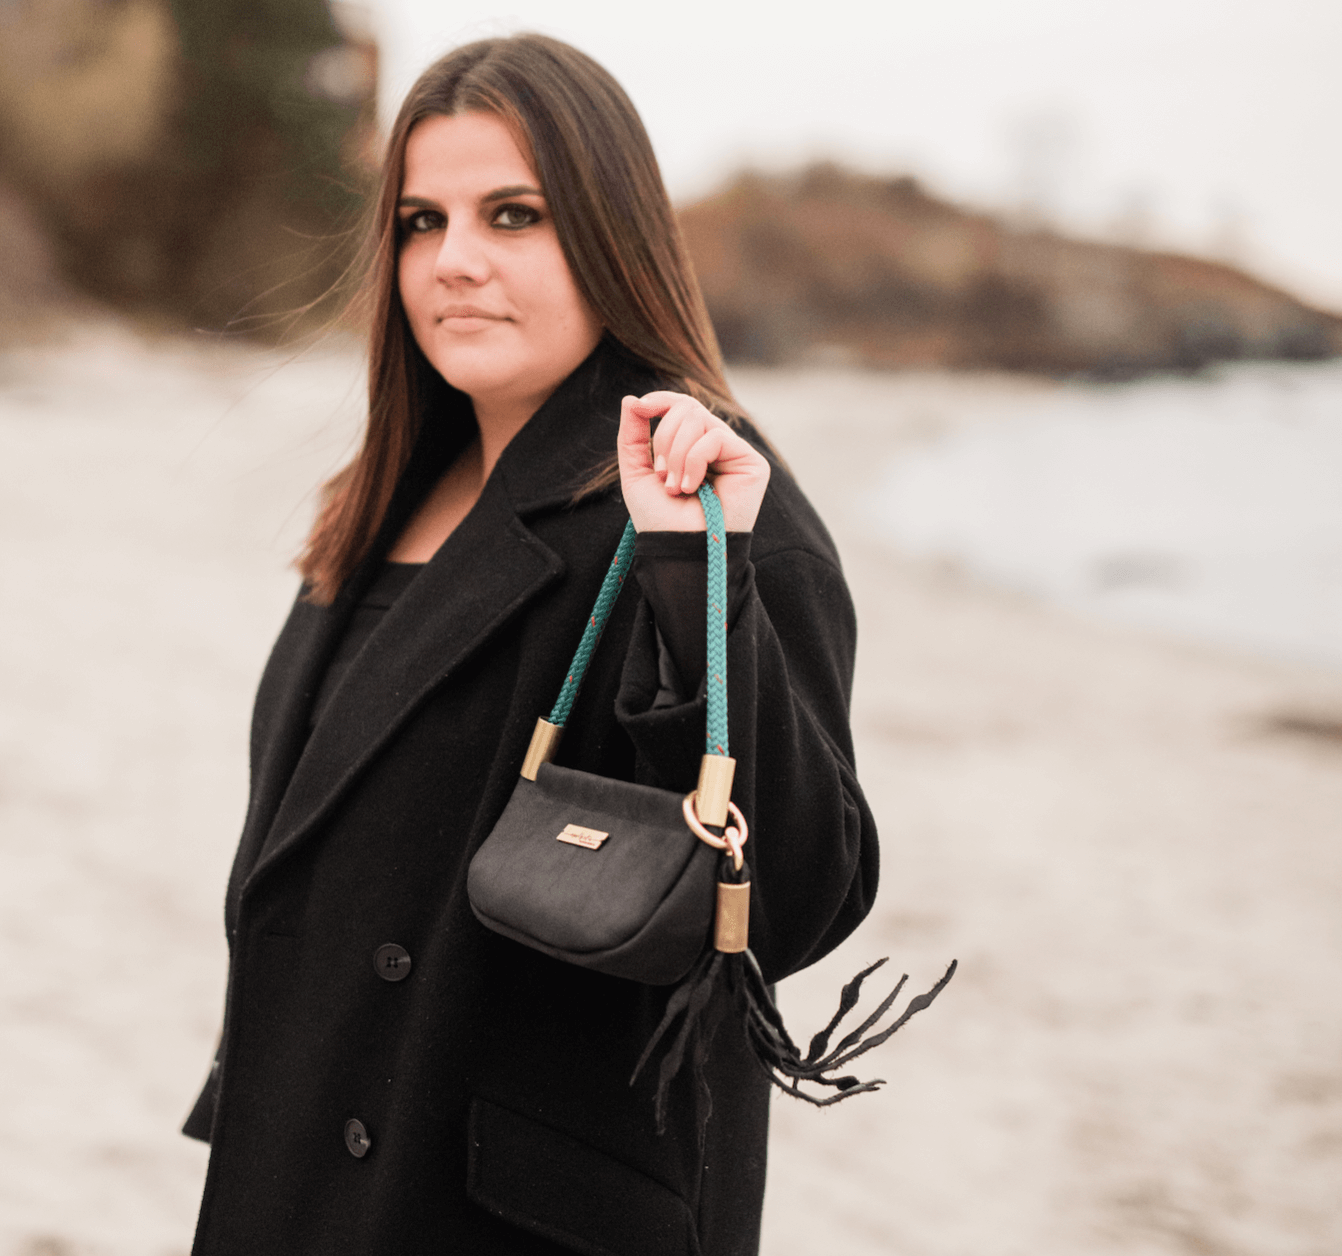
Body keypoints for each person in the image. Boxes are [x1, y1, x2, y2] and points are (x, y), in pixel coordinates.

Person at [182, 33, 877, 1256]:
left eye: (512, 216)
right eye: (418, 220)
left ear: (610, 235)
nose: (453, 263)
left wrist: (686, 573)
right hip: (307, 1160)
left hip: (510, 1212)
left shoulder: (708, 504)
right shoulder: (393, 491)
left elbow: (800, 890)